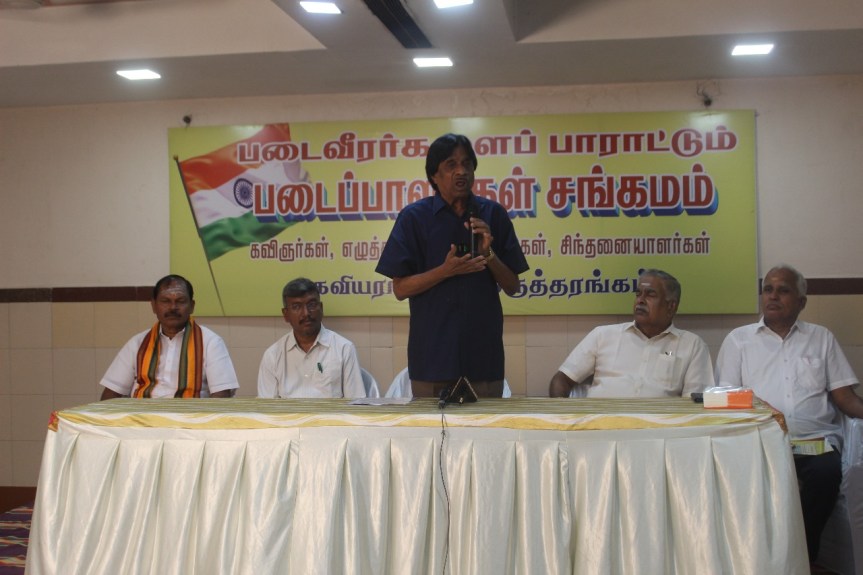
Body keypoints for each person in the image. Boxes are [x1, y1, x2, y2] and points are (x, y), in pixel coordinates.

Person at [714, 264, 863, 563]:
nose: (773, 296)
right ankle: (756, 557)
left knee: (826, 474)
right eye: (768, 289)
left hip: (815, 441)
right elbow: (726, 399)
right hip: (759, 441)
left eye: (783, 290)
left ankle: (800, 556)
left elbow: (845, 398)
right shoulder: (739, 340)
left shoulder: (821, 338)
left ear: (801, 302)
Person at [375, 133, 529, 398]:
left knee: (487, 425)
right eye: (451, 165)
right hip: (432, 359)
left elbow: (513, 286)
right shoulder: (414, 218)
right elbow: (400, 289)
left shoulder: (493, 214)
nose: (462, 172)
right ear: (434, 176)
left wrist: (489, 254)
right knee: (432, 426)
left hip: (483, 358)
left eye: (467, 164)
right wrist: (446, 271)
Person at [549, 269, 713, 398]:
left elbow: (694, 401)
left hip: (659, 428)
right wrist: (562, 417)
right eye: (638, 294)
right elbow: (561, 380)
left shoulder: (692, 346)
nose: (640, 300)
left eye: (650, 295)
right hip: (600, 424)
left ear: (671, 306)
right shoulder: (603, 335)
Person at [100, 274, 239, 399]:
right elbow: (112, 392)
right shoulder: (137, 343)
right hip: (143, 417)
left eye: (181, 301)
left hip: (190, 417)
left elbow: (222, 394)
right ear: (154, 306)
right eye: (165, 301)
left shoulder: (210, 342)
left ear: (192, 306)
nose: (173, 307)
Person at [257, 277, 365, 398]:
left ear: (321, 308)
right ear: (286, 315)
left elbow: (356, 402)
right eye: (296, 307)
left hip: (332, 412)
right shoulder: (273, 355)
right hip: (288, 412)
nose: (306, 313)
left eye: (312, 305)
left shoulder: (344, 349)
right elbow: (267, 406)